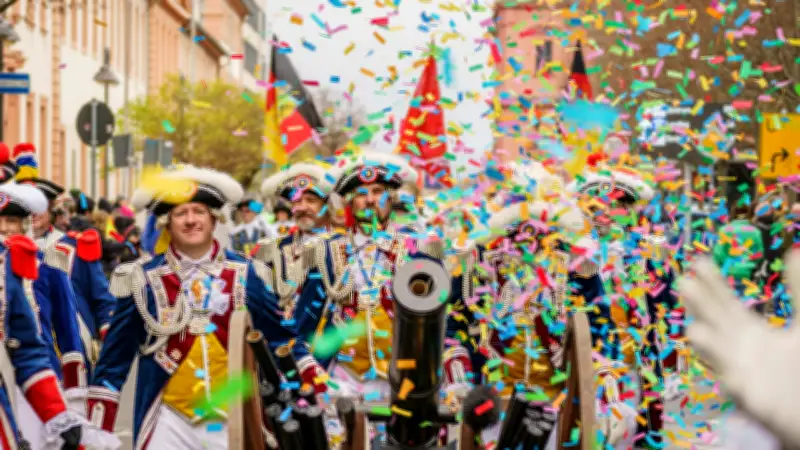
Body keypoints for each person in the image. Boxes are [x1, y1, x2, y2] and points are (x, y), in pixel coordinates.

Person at [87, 165, 310, 449]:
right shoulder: (142, 279)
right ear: (167, 223)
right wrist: (98, 429)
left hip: (234, 416)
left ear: (214, 219)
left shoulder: (247, 272)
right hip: (167, 419)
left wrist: (311, 380)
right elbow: (114, 360)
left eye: (199, 212)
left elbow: (280, 339)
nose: (191, 220)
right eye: (181, 213)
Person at [291, 151, 449, 398]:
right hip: (343, 379)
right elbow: (303, 326)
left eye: (378, 192)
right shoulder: (326, 252)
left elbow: (440, 321)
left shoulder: (418, 249)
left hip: (405, 380)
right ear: (349, 202)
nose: (370, 200)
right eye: (361, 194)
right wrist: (313, 373)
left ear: (391, 198)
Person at [0, 174, 118, 450]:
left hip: (38, 373)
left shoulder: (48, 263)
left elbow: (63, 327)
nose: (5, 229)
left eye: (12, 222)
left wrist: (71, 394)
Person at [13, 142, 117, 371]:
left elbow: (102, 298)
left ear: (51, 208)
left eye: (38, 205)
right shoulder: (6, 253)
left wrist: (108, 337)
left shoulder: (75, 247)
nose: (31, 214)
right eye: (23, 207)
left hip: (73, 354)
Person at [254, 161, 341, 311]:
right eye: (297, 201)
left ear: (327, 206)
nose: (302, 207)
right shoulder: (276, 248)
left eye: (311, 201)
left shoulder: (344, 244)